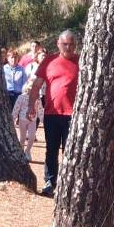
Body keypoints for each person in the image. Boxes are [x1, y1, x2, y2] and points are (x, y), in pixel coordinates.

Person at [28, 30, 79, 197]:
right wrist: (31, 106)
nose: (68, 47)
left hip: (74, 115)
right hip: (52, 113)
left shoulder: (82, 61)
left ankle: (68, 184)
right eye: (65, 44)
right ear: (58, 44)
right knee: (51, 150)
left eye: (71, 44)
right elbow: (36, 86)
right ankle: (50, 181)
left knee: (70, 151)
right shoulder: (49, 61)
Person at [12, 78, 43, 161]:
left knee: (32, 137)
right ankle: (21, 152)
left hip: (32, 120)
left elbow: (40, 110)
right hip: (22, 120)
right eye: (30, 88)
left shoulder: (38, 98)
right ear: (27, 87)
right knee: (22, 138)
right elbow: (16, 108)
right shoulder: (21, 97)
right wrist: (13, 118)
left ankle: (28, 151)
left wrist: (43, 120)